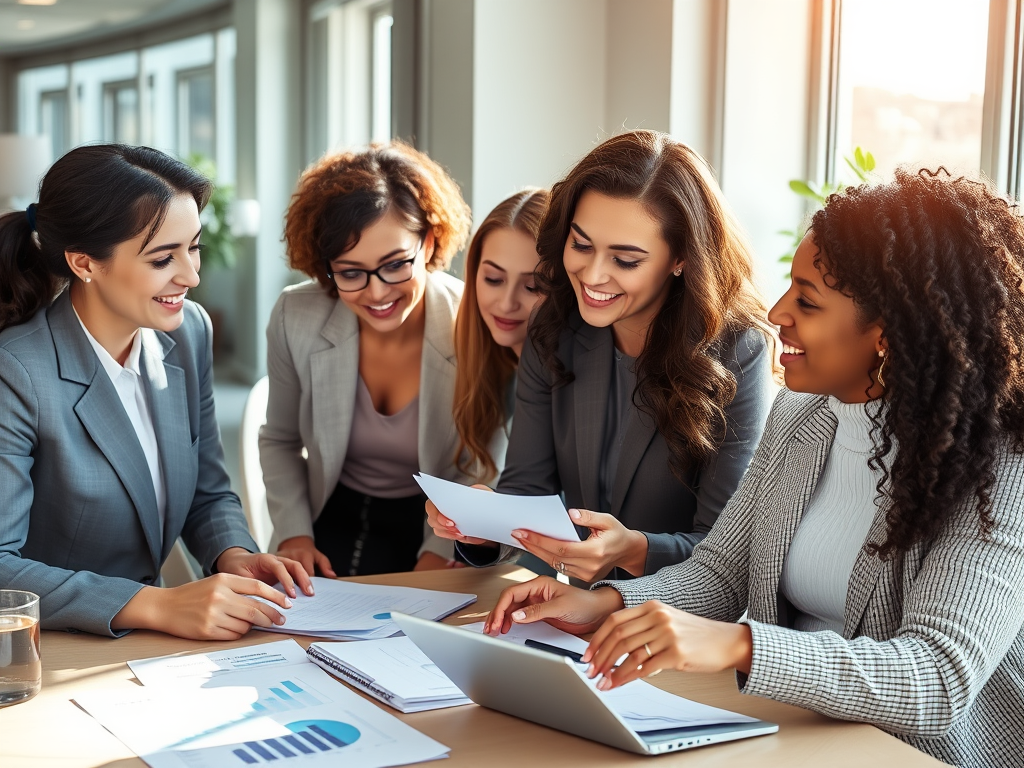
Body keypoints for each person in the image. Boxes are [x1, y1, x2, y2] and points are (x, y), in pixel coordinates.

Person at [485, 169, 1024, 768]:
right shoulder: (802, 418)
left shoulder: (998, 466)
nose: (776, 312)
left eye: (808, 300)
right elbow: (719, 574)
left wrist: (738, 644)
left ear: (889, 334)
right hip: (793, 732)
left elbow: (938, 677)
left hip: (917, 754)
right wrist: (607, 604)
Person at [427, 130, 775, 582]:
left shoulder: (739, 350)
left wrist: (633, 549)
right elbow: (529, 490)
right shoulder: (553, 327)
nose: (592, 275)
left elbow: (723, 550)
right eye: (582, 245)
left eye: (625, 260)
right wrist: (486, 525)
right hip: (580, 611)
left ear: (681, 258)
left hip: (680, 621)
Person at [0, 144, 310, 640]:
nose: (191, 275)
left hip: (158, 642)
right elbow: (1, 569)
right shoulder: (16, 370)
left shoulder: (189, 333)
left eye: (194, 247)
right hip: (51, 645)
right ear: (84, 263)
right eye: (164, 258)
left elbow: (207, 492)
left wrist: (235, 555)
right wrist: (155, 605)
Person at [262, 141, 473, 578]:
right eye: (351, 272)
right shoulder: (294, 315)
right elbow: (279, 441)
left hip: (437, 522)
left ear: (429, 241)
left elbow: (481, 465)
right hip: (327, 514)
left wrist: (439, 552)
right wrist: (294, 535)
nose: (377, 293)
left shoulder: (472, 325)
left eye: (395, 265)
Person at [452, 188, 548, 483]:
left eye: (532, 287)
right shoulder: (486, 367)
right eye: (493, 279)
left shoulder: (575, 388)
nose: (507, 304)